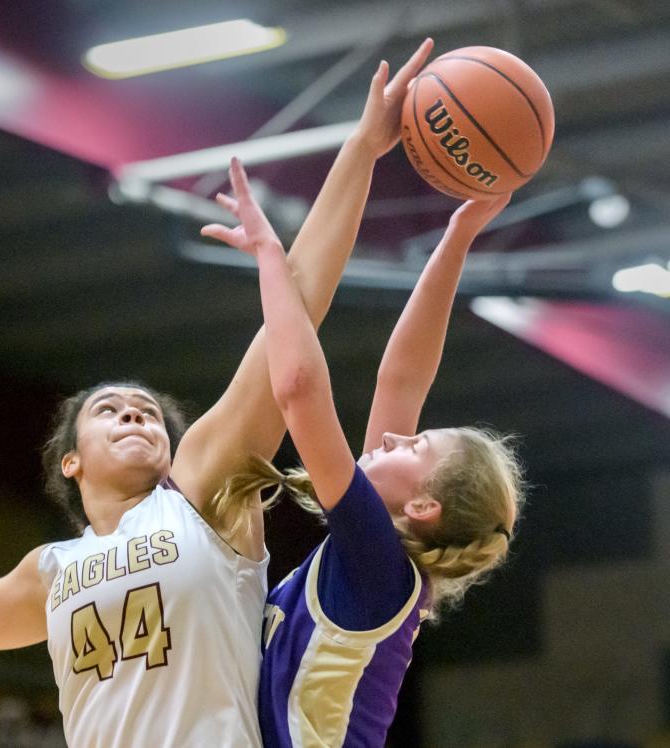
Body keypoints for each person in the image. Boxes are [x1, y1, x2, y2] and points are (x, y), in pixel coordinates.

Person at [0, 40, 435, 748]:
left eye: (147, 412)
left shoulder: (201, 490)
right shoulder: (53, 571)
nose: (135, 412)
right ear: (70, 462)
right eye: (109, 409)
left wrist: (360, 150)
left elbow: (298, 304)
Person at [201, 158, 523, 747]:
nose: (397, 437)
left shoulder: (377, 563)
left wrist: (273, 258)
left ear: (424, 506)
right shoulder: (379, 561)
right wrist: (459, 234)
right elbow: (401, 380)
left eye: (417, 444)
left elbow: (299, 389)